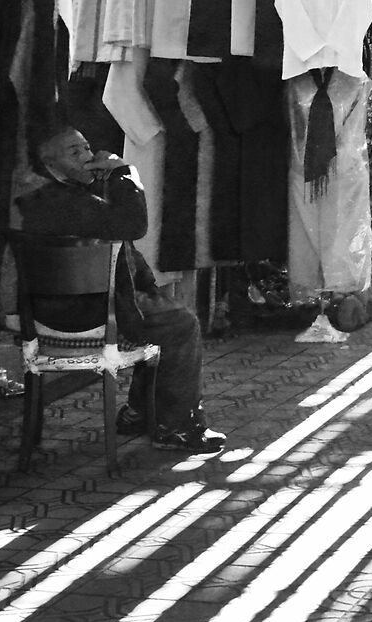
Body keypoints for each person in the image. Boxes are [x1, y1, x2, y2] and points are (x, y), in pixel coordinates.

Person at [17, 124, 225, 454]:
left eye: (87, 147)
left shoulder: (44, 196)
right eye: (74, 152)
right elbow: (133, 224)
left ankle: (139, 412)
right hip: (89, 313)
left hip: (53, 312)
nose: (87, 156)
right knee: (181, 323)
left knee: (159, 312)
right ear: (49, 163)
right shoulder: (70, 201)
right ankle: (176, 427)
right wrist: (123, 172)